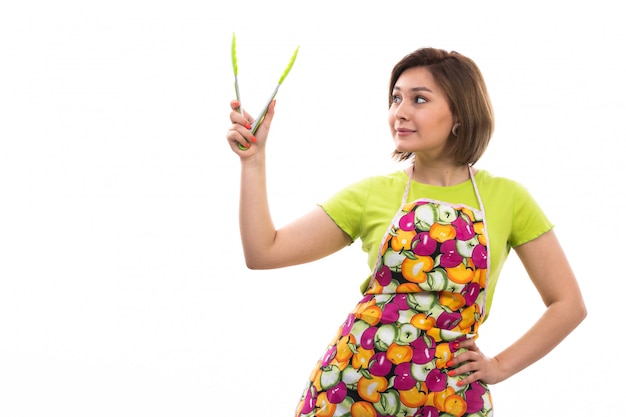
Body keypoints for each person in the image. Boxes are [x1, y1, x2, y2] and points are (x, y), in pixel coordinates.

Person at [225, 47, 586, 417]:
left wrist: (499, 366)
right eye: (396, 98)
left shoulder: (508, 198)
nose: (400, 112)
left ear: (460, 113)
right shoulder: (372, 194)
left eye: (419, 99)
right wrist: (253, 161)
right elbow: (263, 252)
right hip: (352, 389)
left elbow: (568, 305)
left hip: (449, 396)